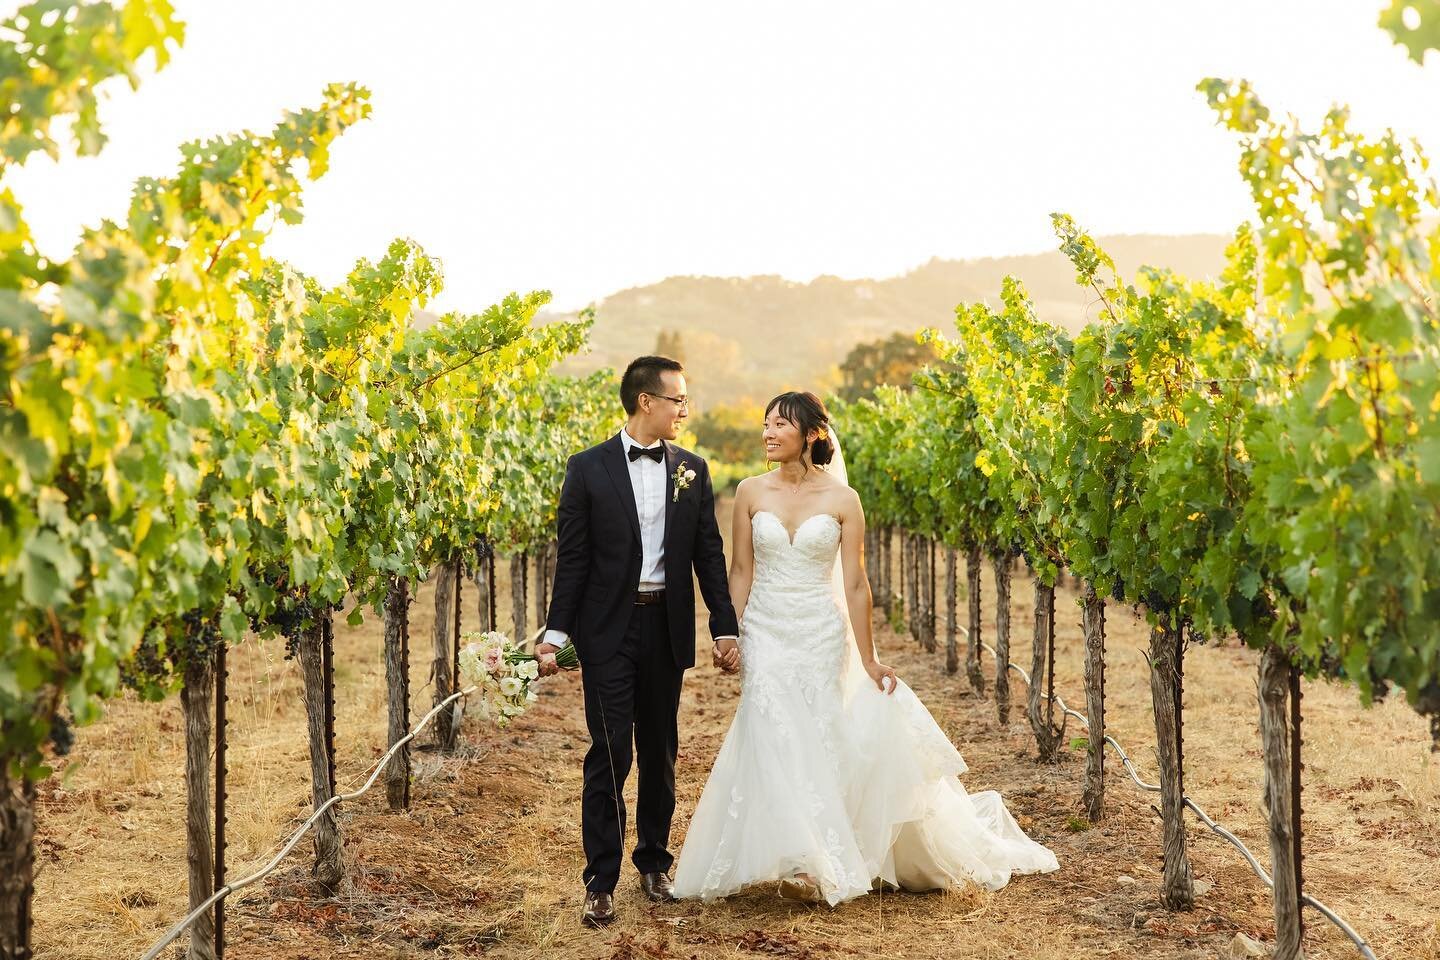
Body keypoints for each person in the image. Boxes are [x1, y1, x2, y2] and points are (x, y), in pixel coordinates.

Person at [671, 391, 1059, 905]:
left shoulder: (841, 499)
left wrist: (869, 657)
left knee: (816, 731)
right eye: (764, 423)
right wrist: (731, 633)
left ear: (812, 434)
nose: (768, 432)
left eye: (780, 424)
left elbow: (855, 584)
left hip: (819, 630)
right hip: (766, 627)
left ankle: (814, 861)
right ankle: (796, 852)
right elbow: (740, 570)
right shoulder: (748, 491)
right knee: (769, 728)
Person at [537, 355, 740, 928]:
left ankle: (654, 862)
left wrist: (723, 625)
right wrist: (556, 636)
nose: (684, 409)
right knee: (609, 753)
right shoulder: (587, 469)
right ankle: (600, 881)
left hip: (665, 628)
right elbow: (572, 561)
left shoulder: (693, 471)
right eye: (677, 399)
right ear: (646, 401)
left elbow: (709, 557)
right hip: (607, 631)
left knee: (660, 751)